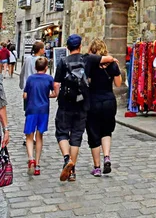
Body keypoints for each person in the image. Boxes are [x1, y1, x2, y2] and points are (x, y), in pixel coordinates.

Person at [54, 34, 117, 182]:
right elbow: (107, 58)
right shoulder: (87, 58)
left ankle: (66, 159)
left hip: (66, 104)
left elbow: (56, 84)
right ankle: (73, 171)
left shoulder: (63, 61)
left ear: (68, 47)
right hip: (82, 104)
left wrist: (59, 96)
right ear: (80, 46)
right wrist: (113, 60)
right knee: (76, 136)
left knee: (62, 133)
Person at [86, 38, 122, 177]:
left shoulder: (90, 65)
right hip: (108, 101)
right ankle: (106, 157)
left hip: (93, 101)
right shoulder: (112, 65)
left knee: (94, 133)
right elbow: (118, 84)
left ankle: (97, 167)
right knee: (106, 131)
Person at [23, 57, 56, 175]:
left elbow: (25, 95)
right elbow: (54, 93)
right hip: (43, 110)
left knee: (29, 136)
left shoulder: (31, 79)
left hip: (31, 109)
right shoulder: (49, 79)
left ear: (35, 67)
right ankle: (37, 164)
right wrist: (47, 96)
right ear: (46, 68)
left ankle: (31, 158)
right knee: (39, 136)